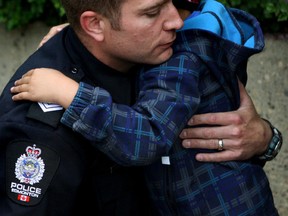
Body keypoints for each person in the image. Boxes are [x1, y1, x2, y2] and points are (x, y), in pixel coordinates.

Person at [10, 0, 281, 215]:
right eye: (152, 11)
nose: (174, 20)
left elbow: (148, 136)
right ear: (93, 25)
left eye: (172, 2)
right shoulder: (151, 46)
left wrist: (70, 94)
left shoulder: (179, 58)